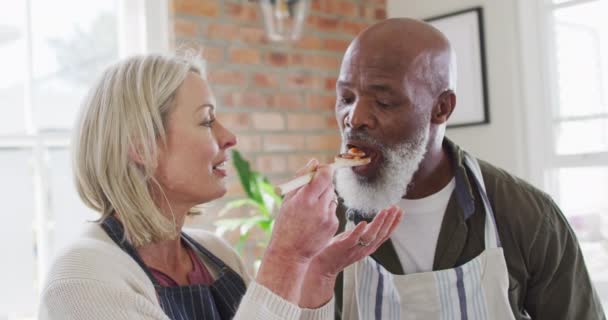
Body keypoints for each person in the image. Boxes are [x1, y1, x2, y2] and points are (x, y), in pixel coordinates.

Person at [38, 53, 403, 320]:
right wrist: (285, 258)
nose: (229, 137)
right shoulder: (81, 278)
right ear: (140, 145)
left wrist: (315, 274)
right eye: (206, 121)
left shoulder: (216, 255)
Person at [332, 18, 606, 320]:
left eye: (383, 102)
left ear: (442, 108)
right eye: (345, 98)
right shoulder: (323, 217)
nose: (353, 118)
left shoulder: (527, 216)